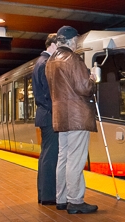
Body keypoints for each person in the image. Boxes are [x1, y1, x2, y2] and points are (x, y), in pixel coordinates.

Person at [45, 26, 98, 214]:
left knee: (63, 158)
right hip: (77, 116)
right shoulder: (72, 58)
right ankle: (75, 200)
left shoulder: (50, 61)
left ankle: (61, 198)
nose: (77, 43)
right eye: (76, 40)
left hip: (61, 116)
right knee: (75, 159)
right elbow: (84, 87)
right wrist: (93, 80)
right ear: (71, 40)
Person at [31, 33, 59, 206]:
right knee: (50, 156)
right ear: (53, 45)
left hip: (44, 115)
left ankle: (44, 194)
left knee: (45, 156)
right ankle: (49, 196)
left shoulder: (40, 62)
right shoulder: (45, 63)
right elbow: (47, 94)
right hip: (49, 116)